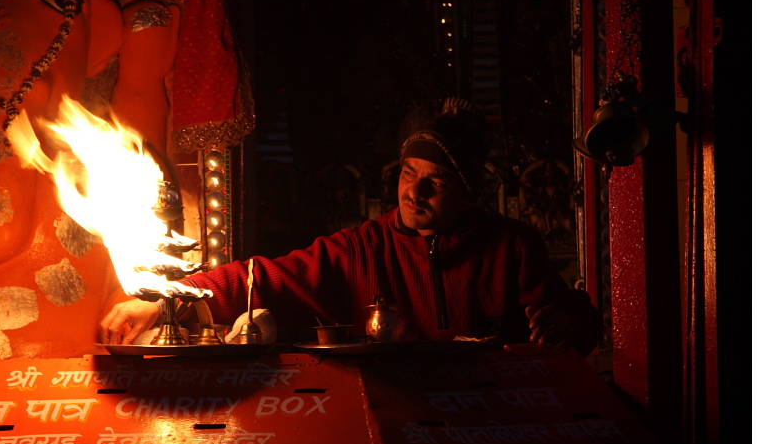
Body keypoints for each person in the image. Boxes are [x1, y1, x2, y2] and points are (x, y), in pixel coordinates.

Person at [100, 98, 603, 355]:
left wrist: (563, 329)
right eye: (409, 174)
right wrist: (166, 296)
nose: (415, 193)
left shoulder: (511, 247)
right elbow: (266, 276)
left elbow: (583, 326)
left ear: (469, 192)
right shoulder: (365, 249)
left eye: (436, 183)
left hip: (495, 429)